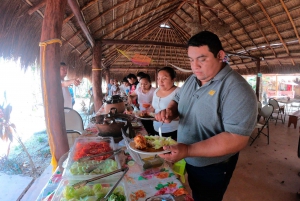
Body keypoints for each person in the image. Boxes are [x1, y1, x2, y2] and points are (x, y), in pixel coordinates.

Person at [156, 31, 257, 201]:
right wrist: (170, 111)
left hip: (213, 166)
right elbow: (177, 99)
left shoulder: (237, 89)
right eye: (191, 60)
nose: (195, 66)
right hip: (188, 158)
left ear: (220, 55)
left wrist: (188, 149)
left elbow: (236, 138)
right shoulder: (191, 79)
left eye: (202, 59)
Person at [152, 67, 180, 140]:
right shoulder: (156, 91)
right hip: (156, 128)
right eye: (158, 78)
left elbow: (185, 115)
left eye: (164, 78)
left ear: (173, 79)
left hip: (172, 130)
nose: (160, 81)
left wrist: (170, 116)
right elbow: (154, 107)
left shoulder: (179, 92)